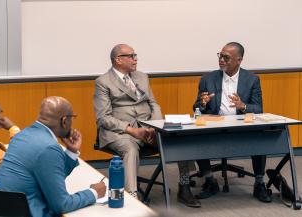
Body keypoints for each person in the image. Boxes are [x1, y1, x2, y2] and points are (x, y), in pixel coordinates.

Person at [94, 44, 200, 207]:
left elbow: (154, 104)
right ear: (118, 60)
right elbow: (103, 118)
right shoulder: (103, 82)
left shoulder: (142, 77)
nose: (135, 59)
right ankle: (131, 198)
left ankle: (184, 187)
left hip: (148, 128)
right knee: (130, 148)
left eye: (135, 55)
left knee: (178, 138)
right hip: (121, 131)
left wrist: (154, 125)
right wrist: (131, 130)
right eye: (131, 56)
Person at [0, 96, 106, 217]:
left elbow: (51, 175)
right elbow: (61, 205)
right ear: (64, 121)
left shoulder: (22, 135)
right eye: (72, 118)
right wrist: (94, 192)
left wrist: (71, 152)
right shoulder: (49, 147)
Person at [193, 42, 271, 202]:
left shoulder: (252, 79)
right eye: (220, 56)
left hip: (241, 125)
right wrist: (202, 103)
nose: (221, 60)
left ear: (239, 60)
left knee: (260, 134)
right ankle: (209, 180)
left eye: (226, 57)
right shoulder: (207, 79)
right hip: (214, 124)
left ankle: (259, 183)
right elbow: (196, 108)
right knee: (195, 133)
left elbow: (258, 108)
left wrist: (243, 106)